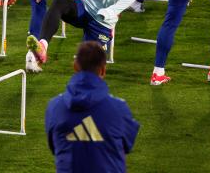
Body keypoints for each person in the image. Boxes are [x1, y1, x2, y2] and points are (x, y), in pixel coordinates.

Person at [45, 41, 140, 173]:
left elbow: (54, 147)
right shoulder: (119, 109)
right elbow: (127, 146)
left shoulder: (54, 107)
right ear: (102, 70)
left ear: (75, 66)